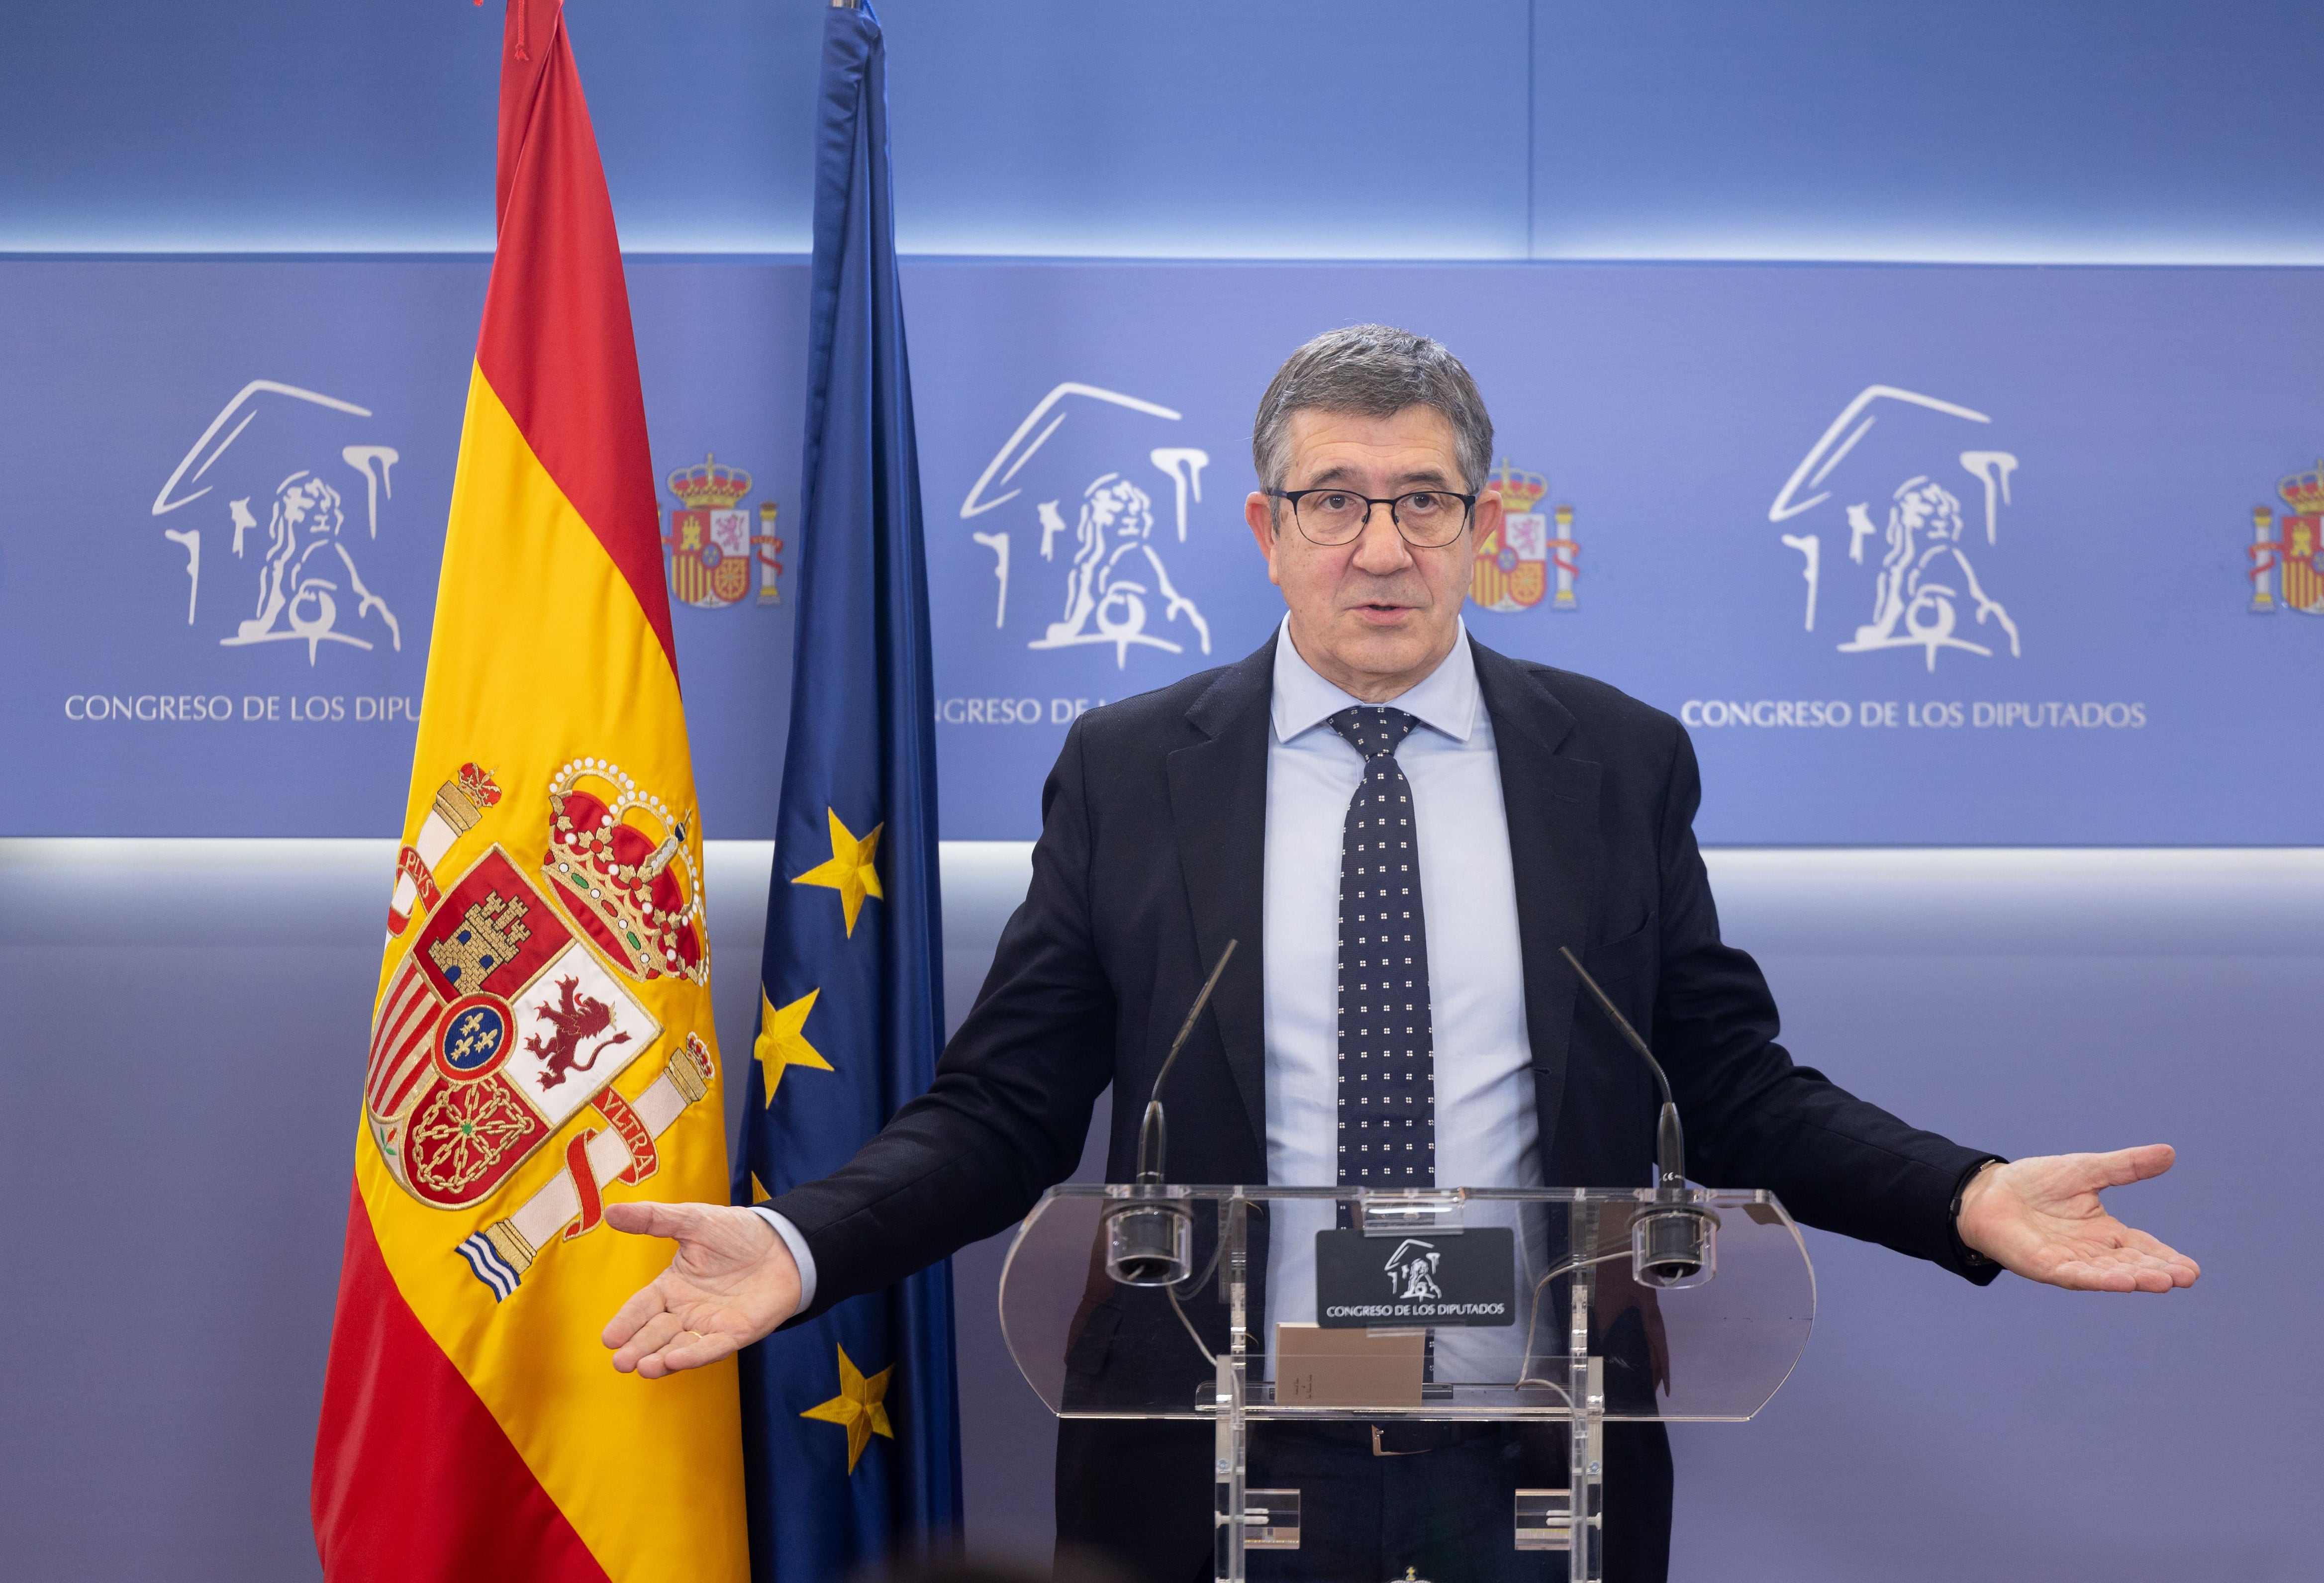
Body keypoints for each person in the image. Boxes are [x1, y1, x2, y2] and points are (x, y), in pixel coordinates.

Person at [600, 325, 2198, 1581]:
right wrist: (803, 1247)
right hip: (1213, 1459)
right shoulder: (1134, 765)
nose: (1382, 546)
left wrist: (1965, 1194)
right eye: (1335, 502)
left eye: (1423, 500)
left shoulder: (1616, 761)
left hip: (1532, 1461)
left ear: (1484, 523)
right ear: (1266, 527)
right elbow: (1005, 1111)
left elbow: (1726, 1086)